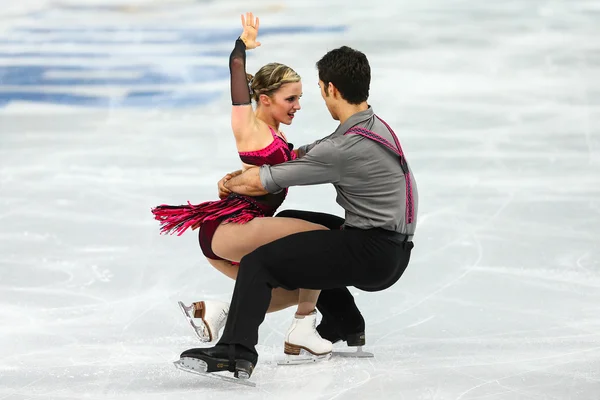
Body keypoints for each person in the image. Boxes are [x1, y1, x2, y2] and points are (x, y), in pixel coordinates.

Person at [177, 44, 419, 380]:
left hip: (376, 254)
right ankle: (345, 323)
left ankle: (236, 351)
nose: (315, 99)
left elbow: (269, 178)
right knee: (315, 225)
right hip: (388, 247)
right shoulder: (372, 127)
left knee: (260, 261)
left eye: (319, 90)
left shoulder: (344, 146)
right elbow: (310, 153)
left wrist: (234, 182)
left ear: (331, 88)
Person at [151, 12, 332, 359]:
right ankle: (304, 326)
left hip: (241, 229)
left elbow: (267, 167)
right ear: (265, 99)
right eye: (290, 99)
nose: (298, 106)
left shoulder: (278, 134)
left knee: (297, 284)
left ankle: (217, 311)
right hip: (230, 228)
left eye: (299, 97)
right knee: (321, 240)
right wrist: (242, 46)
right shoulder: (248, 126)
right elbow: (237, 72)